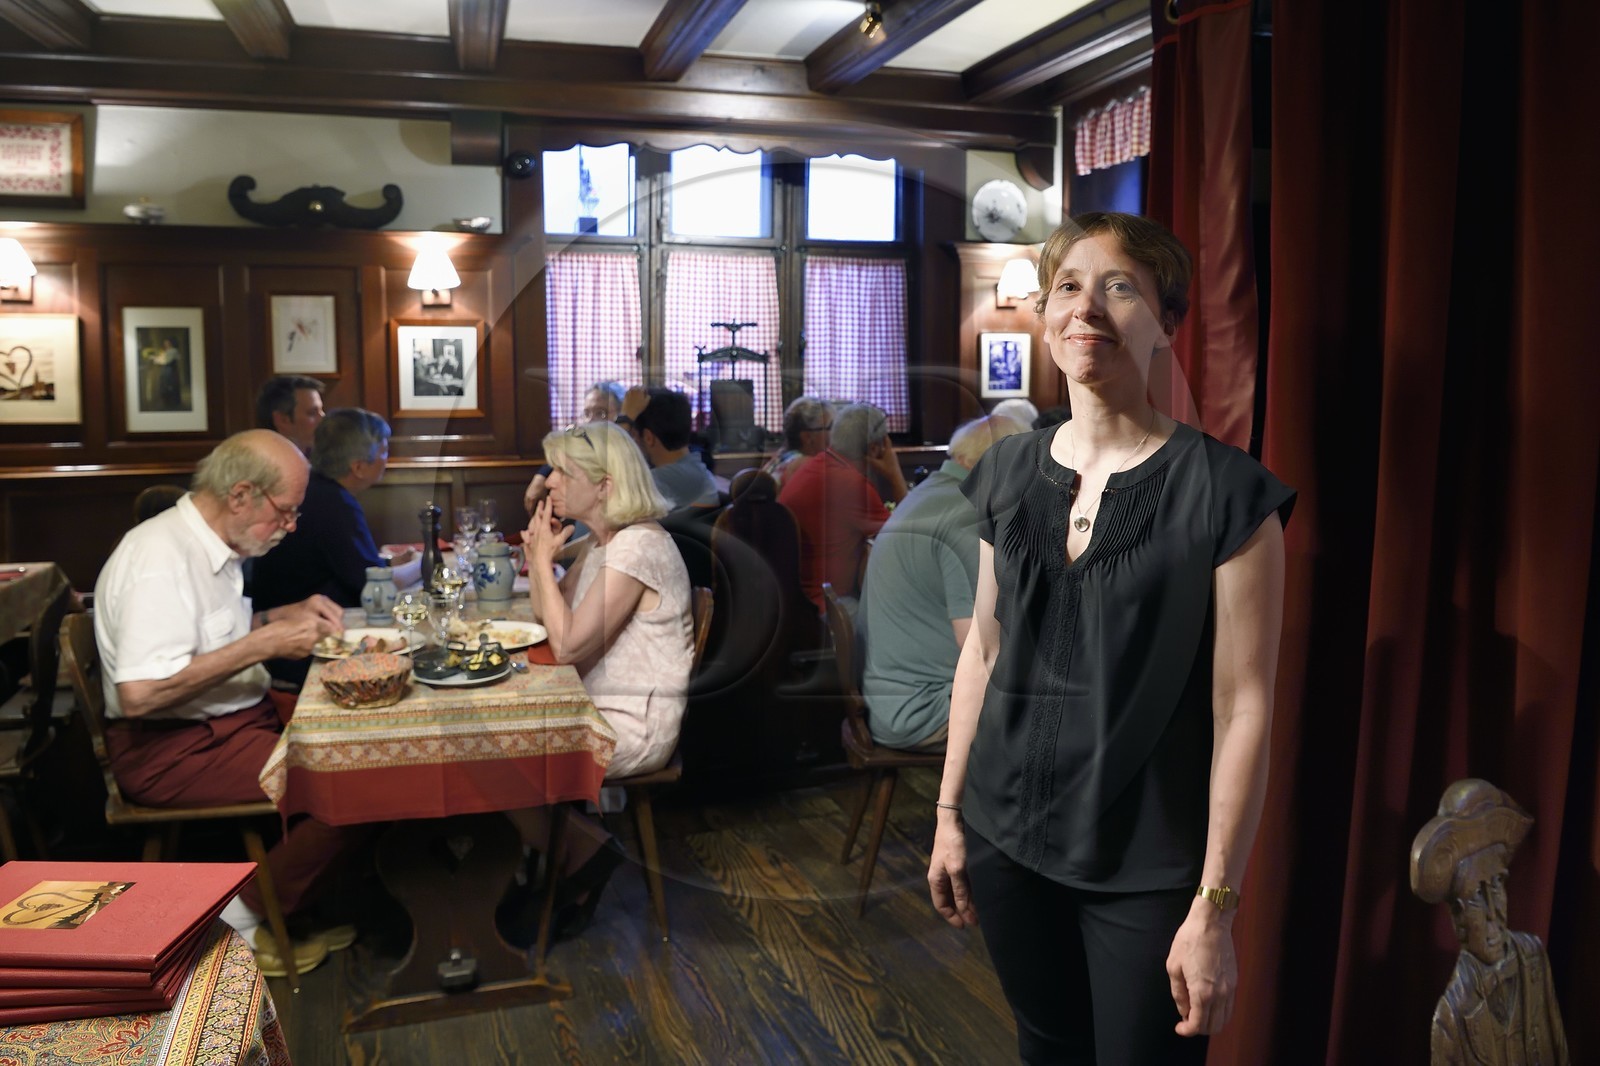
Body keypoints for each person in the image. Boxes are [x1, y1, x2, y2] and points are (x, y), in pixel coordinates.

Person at [927, 211, 1295, 1065]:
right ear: (1047, 317)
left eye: (1119, 286)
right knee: (1045, 1047)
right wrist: (949, 815)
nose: (1086, 306)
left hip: (1148, 866)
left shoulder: (1229, 496)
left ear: (1168, 324)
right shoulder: (1007, 471)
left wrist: (1214, 906)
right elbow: (981, 653)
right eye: (1067, 286)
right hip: (1004, 841)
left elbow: (1244, 710)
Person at [92, 429, 364, 977]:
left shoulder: (218, 542)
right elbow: (141, 693)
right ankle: (238, 920)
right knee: (358, 780)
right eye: (285, 513)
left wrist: (280, 616)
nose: (290, 527)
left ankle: (291, 908)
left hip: (232, 723)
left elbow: (209, 642)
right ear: (240, 494)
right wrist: (262, 644)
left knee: (369, 743)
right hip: (172, 750)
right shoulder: (159, 557)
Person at [509, 421, 693, 938]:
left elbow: (565, 646)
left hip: (632, 725)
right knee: (482, 739)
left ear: (606, 485)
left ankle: (580, 856)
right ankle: (572, 854)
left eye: (564, 473)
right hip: (592, 705)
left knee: (486, 749)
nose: (550, 483)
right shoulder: (601, 543)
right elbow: (545, 619)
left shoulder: (637, 548)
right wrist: (537, 559)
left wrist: (542, 561)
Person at [859, 414, 1027, 751]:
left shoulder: (928, 494)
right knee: (1072, 710)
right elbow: (980, 649)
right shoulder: (966, 516)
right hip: (925, 708)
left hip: (892, 698)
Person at [249, 409, 421, 683]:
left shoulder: (318, 490)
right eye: (384, 451)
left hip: (290, 633)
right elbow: (374, 586)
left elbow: (352, 566)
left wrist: (390, 563)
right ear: (358, 467)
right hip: (300, 652)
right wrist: (424, 563)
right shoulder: (335, 504)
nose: (387, 459)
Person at [1411, 779, 1569, 1065]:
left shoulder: (1533, 958)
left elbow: (1559, 1051)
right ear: (1457, 918)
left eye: (1496, 884)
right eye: (1476, 896)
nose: (1493, 911)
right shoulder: (1452, 1015)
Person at [778, 402, 908, 613]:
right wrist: (895, 475)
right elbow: (909, 537)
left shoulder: (815, 465)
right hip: (826, 607)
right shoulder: (850, 484)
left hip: (795, 599)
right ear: (876, 448)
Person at [523, 381, 630, 513]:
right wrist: (540, 476)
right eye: (587, 413)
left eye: (601, 413)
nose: (591, 421)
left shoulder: (624, 455)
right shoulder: (582, 447)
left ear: (620, 416)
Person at [632, 386, 720, 512]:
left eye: (633, 436)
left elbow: (607, 494)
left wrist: (626, 417)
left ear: (648, 437)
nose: (632, 443)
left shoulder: (669, 477)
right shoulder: (689, 470)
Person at [763, 396, 834, 488]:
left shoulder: (782, 456)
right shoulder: (805, 465)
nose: (834, 433)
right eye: (830, 427)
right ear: (807, 436)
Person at [254, 374, 326, 454]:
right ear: (283, 420)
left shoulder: (320, 457)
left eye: (321, 410)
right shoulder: (261, 463)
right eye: (312, 413)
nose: (324, 419)